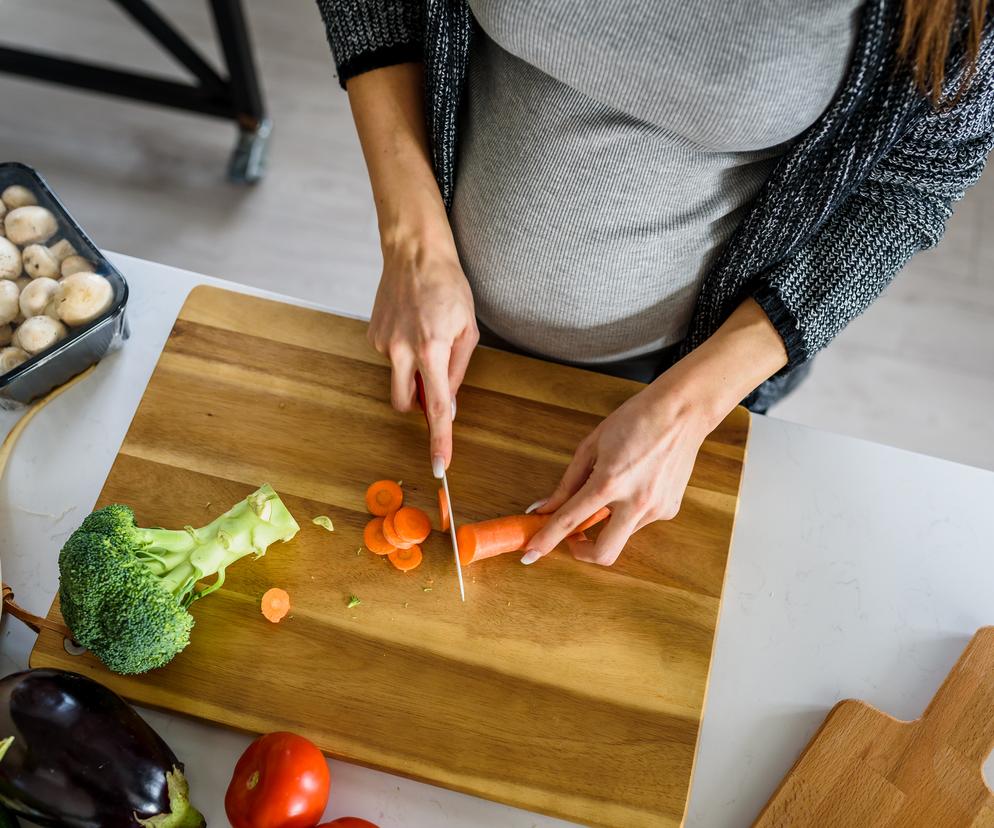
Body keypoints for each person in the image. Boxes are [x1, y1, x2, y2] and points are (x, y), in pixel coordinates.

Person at [315, 0, 994, 566]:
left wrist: (690, 408)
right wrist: (412, 238)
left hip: (684, 372)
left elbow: (918, 176)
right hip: (450, 312)